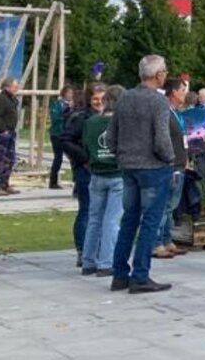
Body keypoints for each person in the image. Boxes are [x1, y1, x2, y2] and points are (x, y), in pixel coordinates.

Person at [106, 55, 177, 294]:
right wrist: (170, 159)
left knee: (129, 219)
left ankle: (119, 274)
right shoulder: (158, 102)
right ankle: (140, 275)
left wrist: (121, 155)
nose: (165, 75)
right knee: (150, 223)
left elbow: (110, 135)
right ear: (158, 75)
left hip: (128, 166)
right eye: (164, 71)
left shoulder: (125, 98)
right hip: (153, 168)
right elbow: (161, 139)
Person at [80, 85, 124, 276]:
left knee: (94, 219)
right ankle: (106, 262)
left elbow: (86, 147)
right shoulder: (122, 123)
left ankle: (88, 261)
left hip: (96, 173)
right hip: (116, 174)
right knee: (111, 220)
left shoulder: (91, 122)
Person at [59, 84, 104, 270]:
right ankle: (82, 250)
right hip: (85, 169)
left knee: (101, 212)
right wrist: (85, 158)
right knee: (86, 210)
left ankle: (97, 248)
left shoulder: (108, 116)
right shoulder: (80, 118)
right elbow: (65, 140)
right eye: (95, 99)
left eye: (102, 99)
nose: (99, 103)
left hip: (103, 169)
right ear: (88, 99)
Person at [153, 78, 191, 260]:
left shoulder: (175, 113)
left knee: (171, 206)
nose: (184, 94)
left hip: (180, 165)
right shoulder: (165, 113)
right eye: (182, 91)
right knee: (165, 206)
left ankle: (167, 240)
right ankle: (157, 242)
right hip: (171, 166)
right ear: (174, 92)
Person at [178, 89, 205, 231]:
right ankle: (198, 210)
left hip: (186, 152)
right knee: (201, 179)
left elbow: (181, 135)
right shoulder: (204, 114)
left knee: (185, 182)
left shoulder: (181, 115)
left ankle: (183, 213)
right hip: (201, 150)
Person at [0, 78, 20, 196]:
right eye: (14, 86)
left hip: (11, 133)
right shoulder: (0, 99)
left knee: (9, 159)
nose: (17, 88)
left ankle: (4, 184)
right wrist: (3, 130)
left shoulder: (12, 99)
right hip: (2, 134)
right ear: (7, 87)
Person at [48, 85, 75, 189]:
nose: (70, 95)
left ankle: (75, 180)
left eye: (71, 93)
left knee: (73, 157)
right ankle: (53, 181)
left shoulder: (73, 105)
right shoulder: (57, 104)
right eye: (68, 93)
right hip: (57, 133)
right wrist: (65, 114)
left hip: (69, 134)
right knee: (58, 158)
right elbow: (55, 118)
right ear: (63, 94)